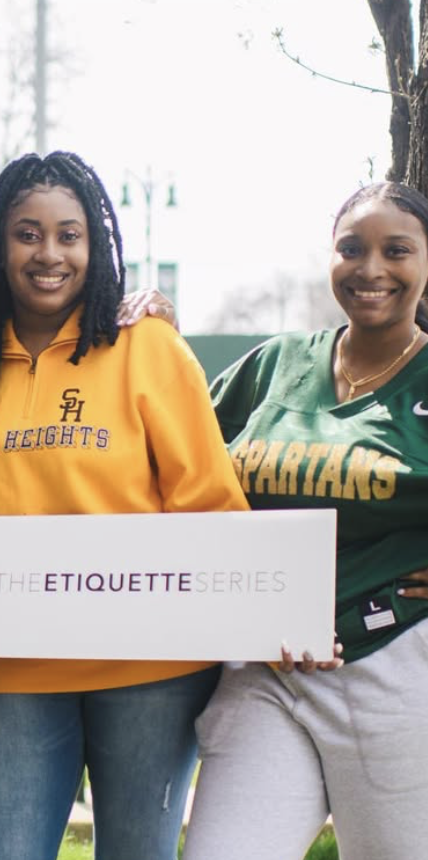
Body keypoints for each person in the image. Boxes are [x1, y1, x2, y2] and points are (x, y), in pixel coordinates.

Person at [0, 150, 249, 860]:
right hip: (15, 667)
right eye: (28, 232)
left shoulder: (147, 349)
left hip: (152, 671)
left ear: (95, 247)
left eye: (70, 234)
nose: (50, 253)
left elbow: (211, 508)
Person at [182, 181, 428, 860]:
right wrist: (145, 332)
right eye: (352, 248)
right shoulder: (274, 367)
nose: (371, 268)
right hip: (265, 672)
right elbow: (177, 466)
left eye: (396, 250)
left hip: (390, 664)